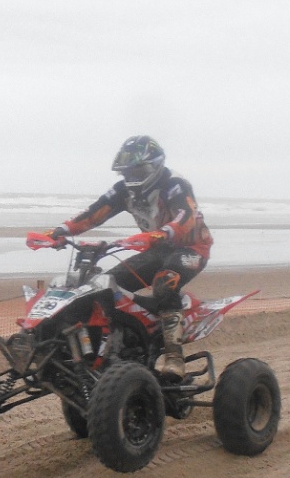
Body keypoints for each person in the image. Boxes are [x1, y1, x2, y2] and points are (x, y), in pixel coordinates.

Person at [44, 135, 213, 379]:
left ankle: (174, 357)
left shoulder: (174, 184)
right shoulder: (124, 191)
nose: (131, 177)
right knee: (105, 287)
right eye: (127, 172)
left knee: (165, 283)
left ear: (155, 166)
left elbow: (186, 216)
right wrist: (60, 231)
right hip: (157, 249)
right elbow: (94, 214)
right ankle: (121, 347)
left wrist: (160, 234)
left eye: (137, 171)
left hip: (192, 248)